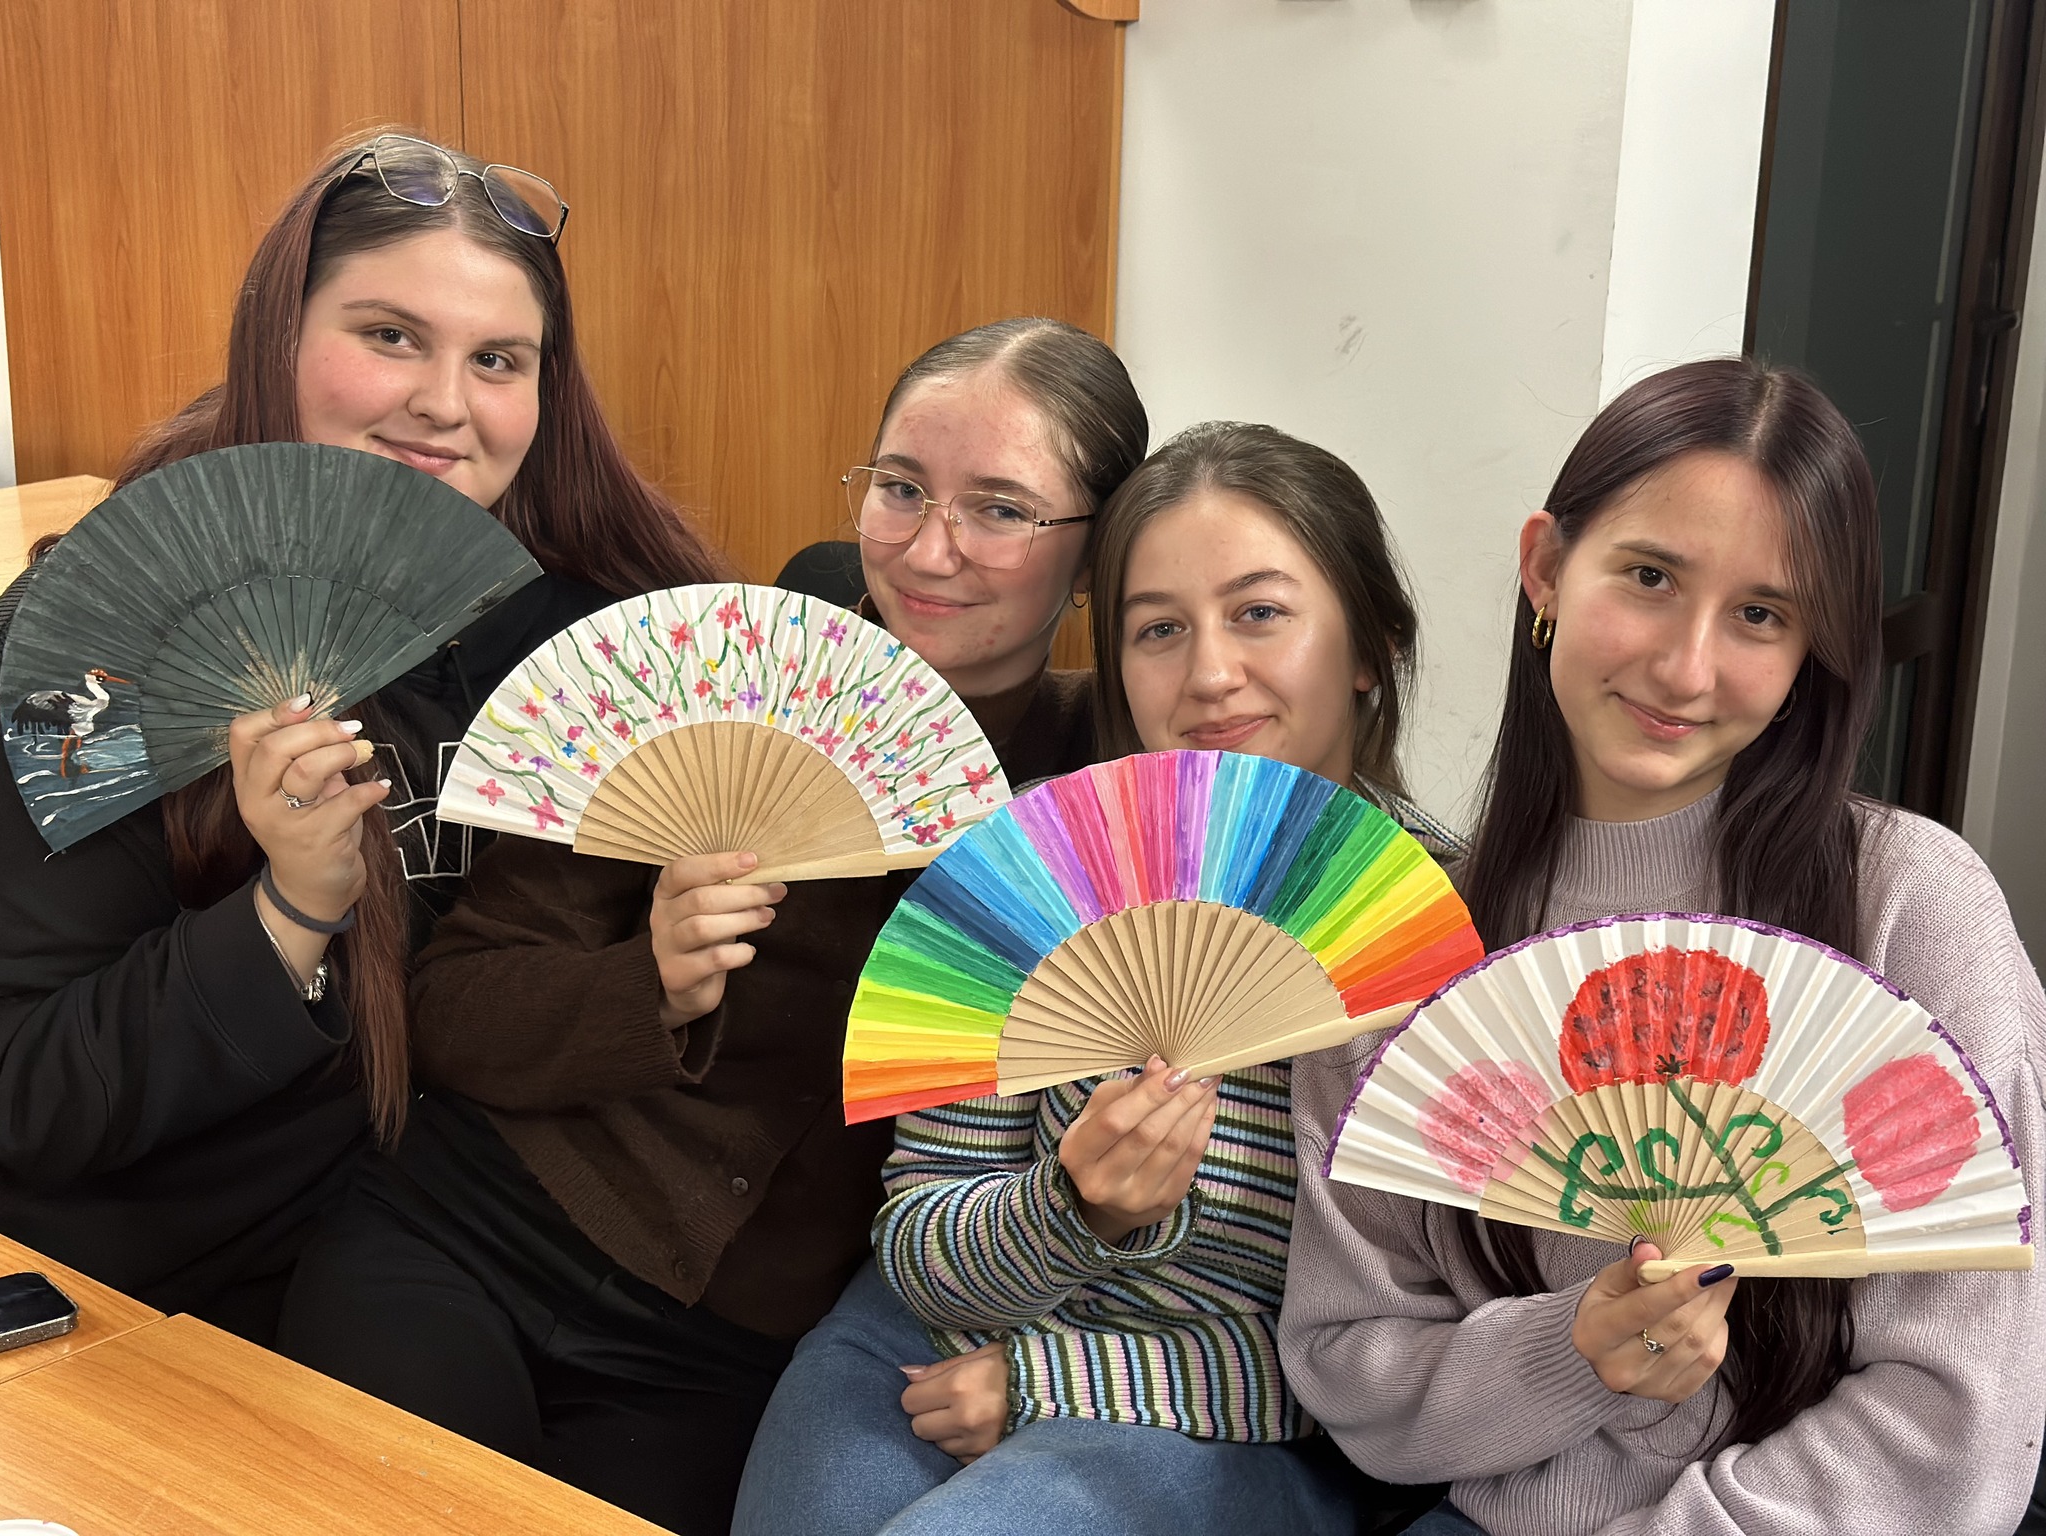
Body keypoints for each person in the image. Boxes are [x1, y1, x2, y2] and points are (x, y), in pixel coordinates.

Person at [274, 318, 1147, 1535]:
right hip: (469, 1232)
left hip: (720, 1352)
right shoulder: (719, 676)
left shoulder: (1109, 791)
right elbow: (452, 1005)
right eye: (899, 489)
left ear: (1094, 555)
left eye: (1000, 509)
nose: (929, 548)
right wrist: (650, 985)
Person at [1278, 358, 2046, 1536]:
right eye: (1647, 577)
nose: (1685, 668)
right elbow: (1353, 1368)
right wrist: (1571, 1351)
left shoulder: (1910, 906)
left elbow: (1958, 1429)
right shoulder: (1410, 940)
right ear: (1543, 567)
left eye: (1759, 615)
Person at [0, 129, 722, 1345]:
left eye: (497, 359)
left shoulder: (600, 627)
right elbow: (26, 1099)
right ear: (276, 340)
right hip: (149, 1304)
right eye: (389, 335)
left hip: (473, 1259)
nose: (444, 402)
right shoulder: (101, 652)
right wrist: (289, 912)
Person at [731, 422, 1458, 1536]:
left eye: (1260, 614)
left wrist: (1059, 1381)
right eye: (1158, 628)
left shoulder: (1443, 928)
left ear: (1369, 645)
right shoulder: (1035, 859)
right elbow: (920, 1242)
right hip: (939, 1326)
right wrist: (1074, 1208)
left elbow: (1403, 1359)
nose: (1209, 674)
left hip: (1233, 1412)